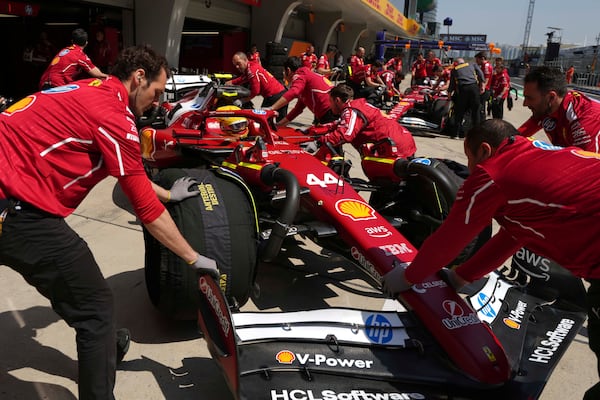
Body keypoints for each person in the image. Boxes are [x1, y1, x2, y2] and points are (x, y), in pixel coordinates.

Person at [0, 45, 220, 400]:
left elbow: (127, 172)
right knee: (96, 308)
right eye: (157, 92)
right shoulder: (115, 115)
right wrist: (193, 257)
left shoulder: (87, 90)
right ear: (138, 78)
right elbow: (146, 210)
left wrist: (170, 195)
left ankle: (111, 345)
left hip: (12, 191)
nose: (157, 102)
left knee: (75, 284)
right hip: (15, 207)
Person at [381, 118, 600, 400]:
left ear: (484, 150)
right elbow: (515, 234)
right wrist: (461, 276)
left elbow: (450, 238)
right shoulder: (539, 152)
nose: (471, 170)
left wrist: (407, 276)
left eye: (471, 160)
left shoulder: (493, 174)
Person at [314, 83, 416, 157]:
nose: (329, 106)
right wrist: (313, 131)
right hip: (404, 142)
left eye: (330, 102)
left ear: (337, 100)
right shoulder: (361, 105)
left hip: (394, 149)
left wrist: (318, 142)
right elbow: (339, 124)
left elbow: (345, 135)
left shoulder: (351, 110)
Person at [518, 66, 600, 152]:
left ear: (551, 97)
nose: (525, 104)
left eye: (530, 98)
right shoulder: (547, 107)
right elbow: (517, 137)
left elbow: (585, 162)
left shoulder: (582, 119)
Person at [267, 56, 336, 126]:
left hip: (330, 113)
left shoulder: (299, 75)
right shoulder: (306, 76)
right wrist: (279, 124)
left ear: (288, 70)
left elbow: (294, 92)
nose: (283, 74)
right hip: (333, 111)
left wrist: (271, 108)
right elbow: (297, 110)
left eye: (284, 71)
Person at [39, 28, 108, 90]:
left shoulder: (64, 50)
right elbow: (98, 74)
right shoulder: (79, 55)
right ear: (86, 43)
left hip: (44, 83)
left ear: (72, 41)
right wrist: (108, 77)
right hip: (56, 85)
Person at [226, 51, 287, 120]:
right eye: (235, 65)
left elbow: (255, 91)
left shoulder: (251, 70)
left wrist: (242, 100)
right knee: (269, 122)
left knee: (263, 120)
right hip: (275, 94)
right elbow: (243, 78)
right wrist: (231, 82)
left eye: (238, 63)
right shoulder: (250, 66)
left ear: (245, 60)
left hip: (276, 96)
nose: (237, 67)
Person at [448, 57, 484, 139]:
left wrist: (449, 94)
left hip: (463, 89)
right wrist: (482, 85)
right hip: (474, 88)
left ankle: (456, 134)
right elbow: (481, 74)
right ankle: (476, 135)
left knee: (459, 112)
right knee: (475, 112)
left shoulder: (454, 70)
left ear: (456, 63)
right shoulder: (472, 64)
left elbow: (452, 84)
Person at [474, 51, 493, 119]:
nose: (476, 62)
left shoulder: (486, 66)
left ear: (482, 58)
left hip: (484, 90)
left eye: (477, 60)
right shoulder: (483, 66)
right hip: (484, 89)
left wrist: (482, 89)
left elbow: (486, 79)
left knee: (480, 108)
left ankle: (481, 122)